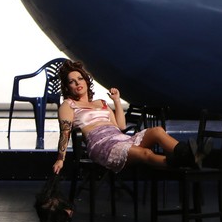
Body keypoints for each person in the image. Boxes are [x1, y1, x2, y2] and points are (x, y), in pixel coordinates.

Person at [51, 59, 206, 177]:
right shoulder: (68, 105)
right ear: (67, 87)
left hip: (120, 138)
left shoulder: (101, 103)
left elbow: (120, 127)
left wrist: (117, 101)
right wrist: (60, 158)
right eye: (72, 82)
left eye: (80, 78)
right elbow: (65, 133)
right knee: (145, 153)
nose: (77, 83)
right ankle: (187, 160)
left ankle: (189, 155)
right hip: (102, 145)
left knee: (157, 131)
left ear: (86, 80)